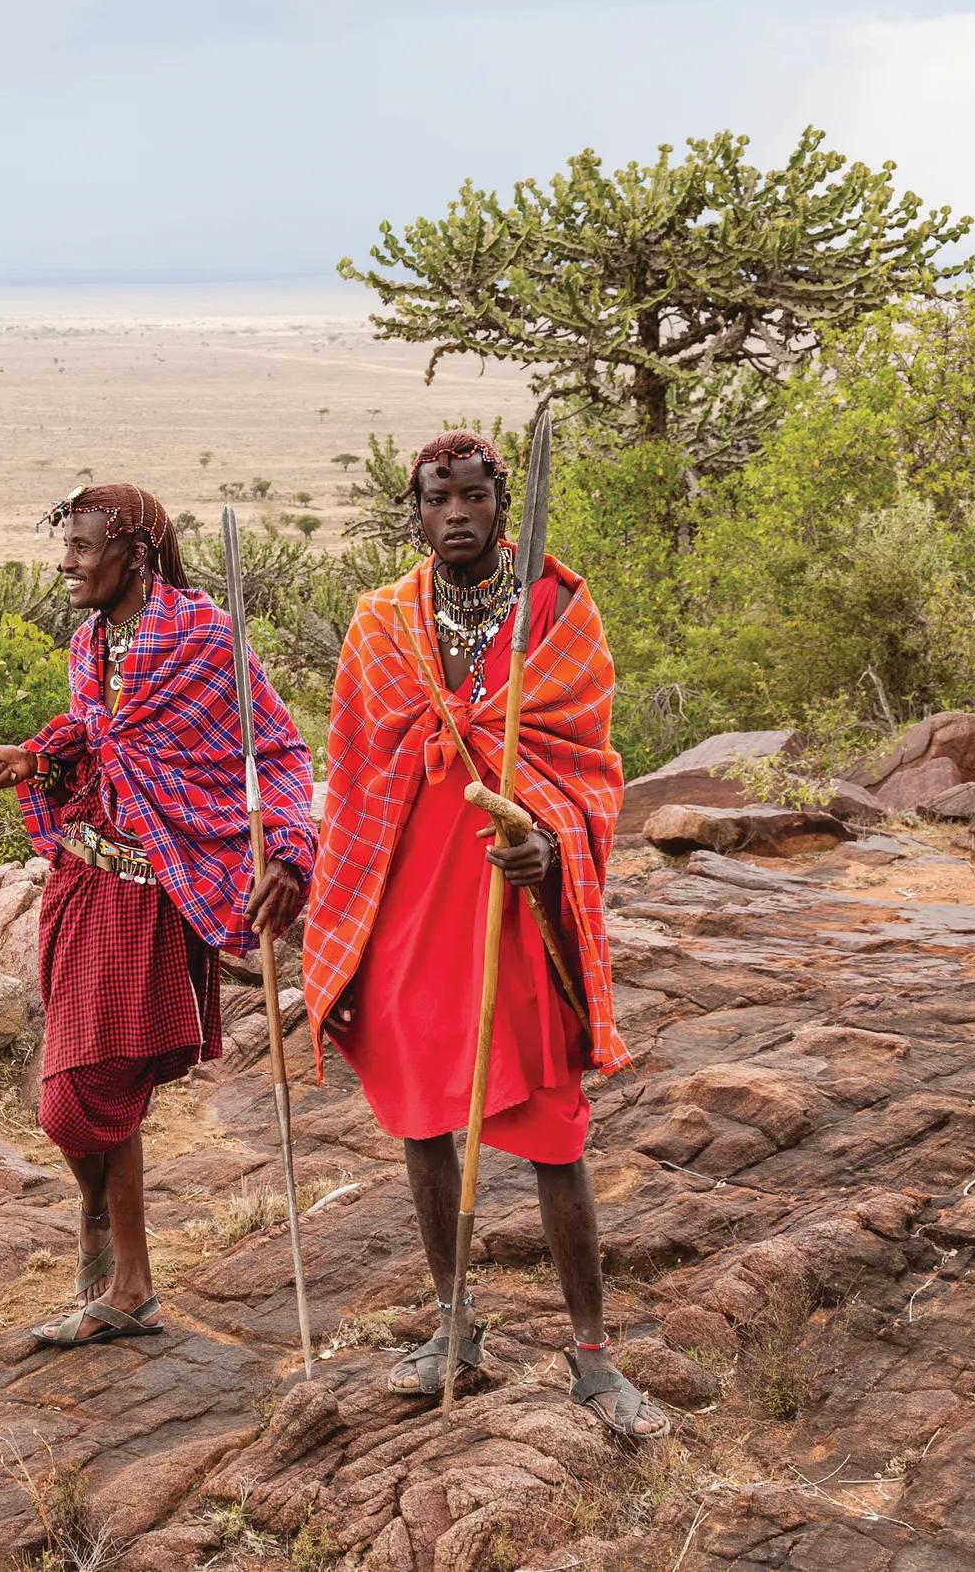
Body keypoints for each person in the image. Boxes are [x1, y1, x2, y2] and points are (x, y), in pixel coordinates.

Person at [301, 431, 666, 1440]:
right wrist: (310, 882)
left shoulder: (556, 614)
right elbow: (355, 766)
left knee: (553, 1121)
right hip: (410, 897)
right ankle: (452, 1323)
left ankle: (593, 1350)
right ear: (412, 511)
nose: (455, 511)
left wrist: (544, 844)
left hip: (513, 904)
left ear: (503, 507)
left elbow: (589, 768)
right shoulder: (379, 624)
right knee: (423, 1114)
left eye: (473, 495)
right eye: (435, 496)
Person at [0, 483, 312, 1348]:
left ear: (136, 555)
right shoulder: (90, 642)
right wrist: (35, 756)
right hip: (80, 878)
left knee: (89, 1091)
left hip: (153, 887)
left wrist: (288, 853)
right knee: (80, 1090)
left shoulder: (203, 638)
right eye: (67, 546)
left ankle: (118, 1268)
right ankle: (126, 1271)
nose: (67, 563)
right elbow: (94, 739)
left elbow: (275, 749)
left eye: (84, 548)